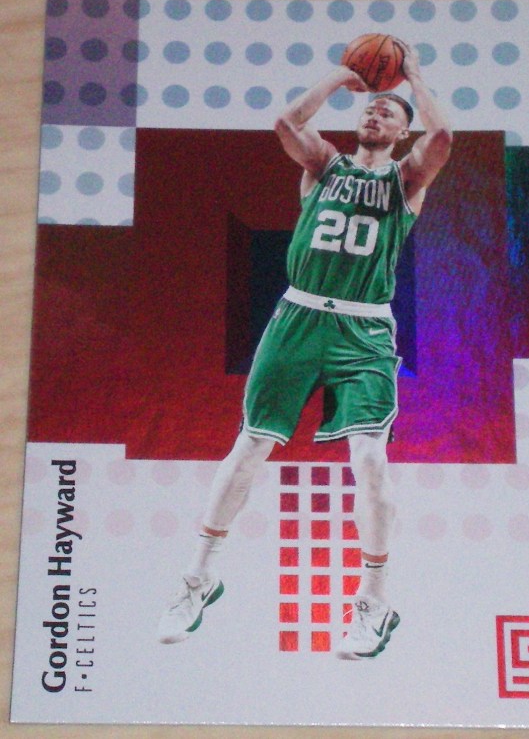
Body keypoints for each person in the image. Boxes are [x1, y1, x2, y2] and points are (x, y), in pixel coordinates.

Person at [158, 42, 452, 659]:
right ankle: (198, 577)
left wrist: (414, 78)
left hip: (364, 330)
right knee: (249, 447)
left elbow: (443, 136)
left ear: (402, 132)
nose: (376, 113)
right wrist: (342, 75)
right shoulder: (324, 164)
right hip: (297, 317)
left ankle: (374, 600)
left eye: (389, 112)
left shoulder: (405, 180)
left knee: (369, 461)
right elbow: (286, 123)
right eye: (370, 108)